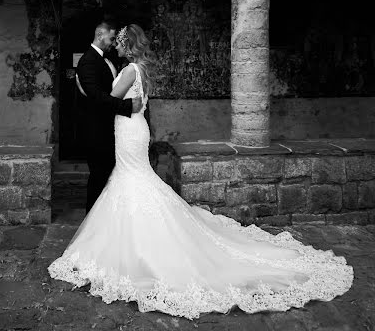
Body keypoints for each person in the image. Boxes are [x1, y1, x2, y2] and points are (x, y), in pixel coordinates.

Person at [49, 24, 353, 319]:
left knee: (132, 180)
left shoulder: (129, 71)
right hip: (135, 129)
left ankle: (141, 247)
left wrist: (89, 89)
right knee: (136, 178)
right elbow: (130, 100)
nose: (116, 45)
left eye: (120, 42)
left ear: (128, 46)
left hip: (129, 130)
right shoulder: (142, 69)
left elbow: (110, 98)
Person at [75, 20, 142, 212]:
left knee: (106, 175)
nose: (114, 43)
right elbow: (96, 97)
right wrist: (127, 106)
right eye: (112, 38)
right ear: (99, 35)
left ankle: (106, 216)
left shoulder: (107, 60)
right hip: (95, 129)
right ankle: (92, 219)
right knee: (98, 175)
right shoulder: (88, 61)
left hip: (108, 128)